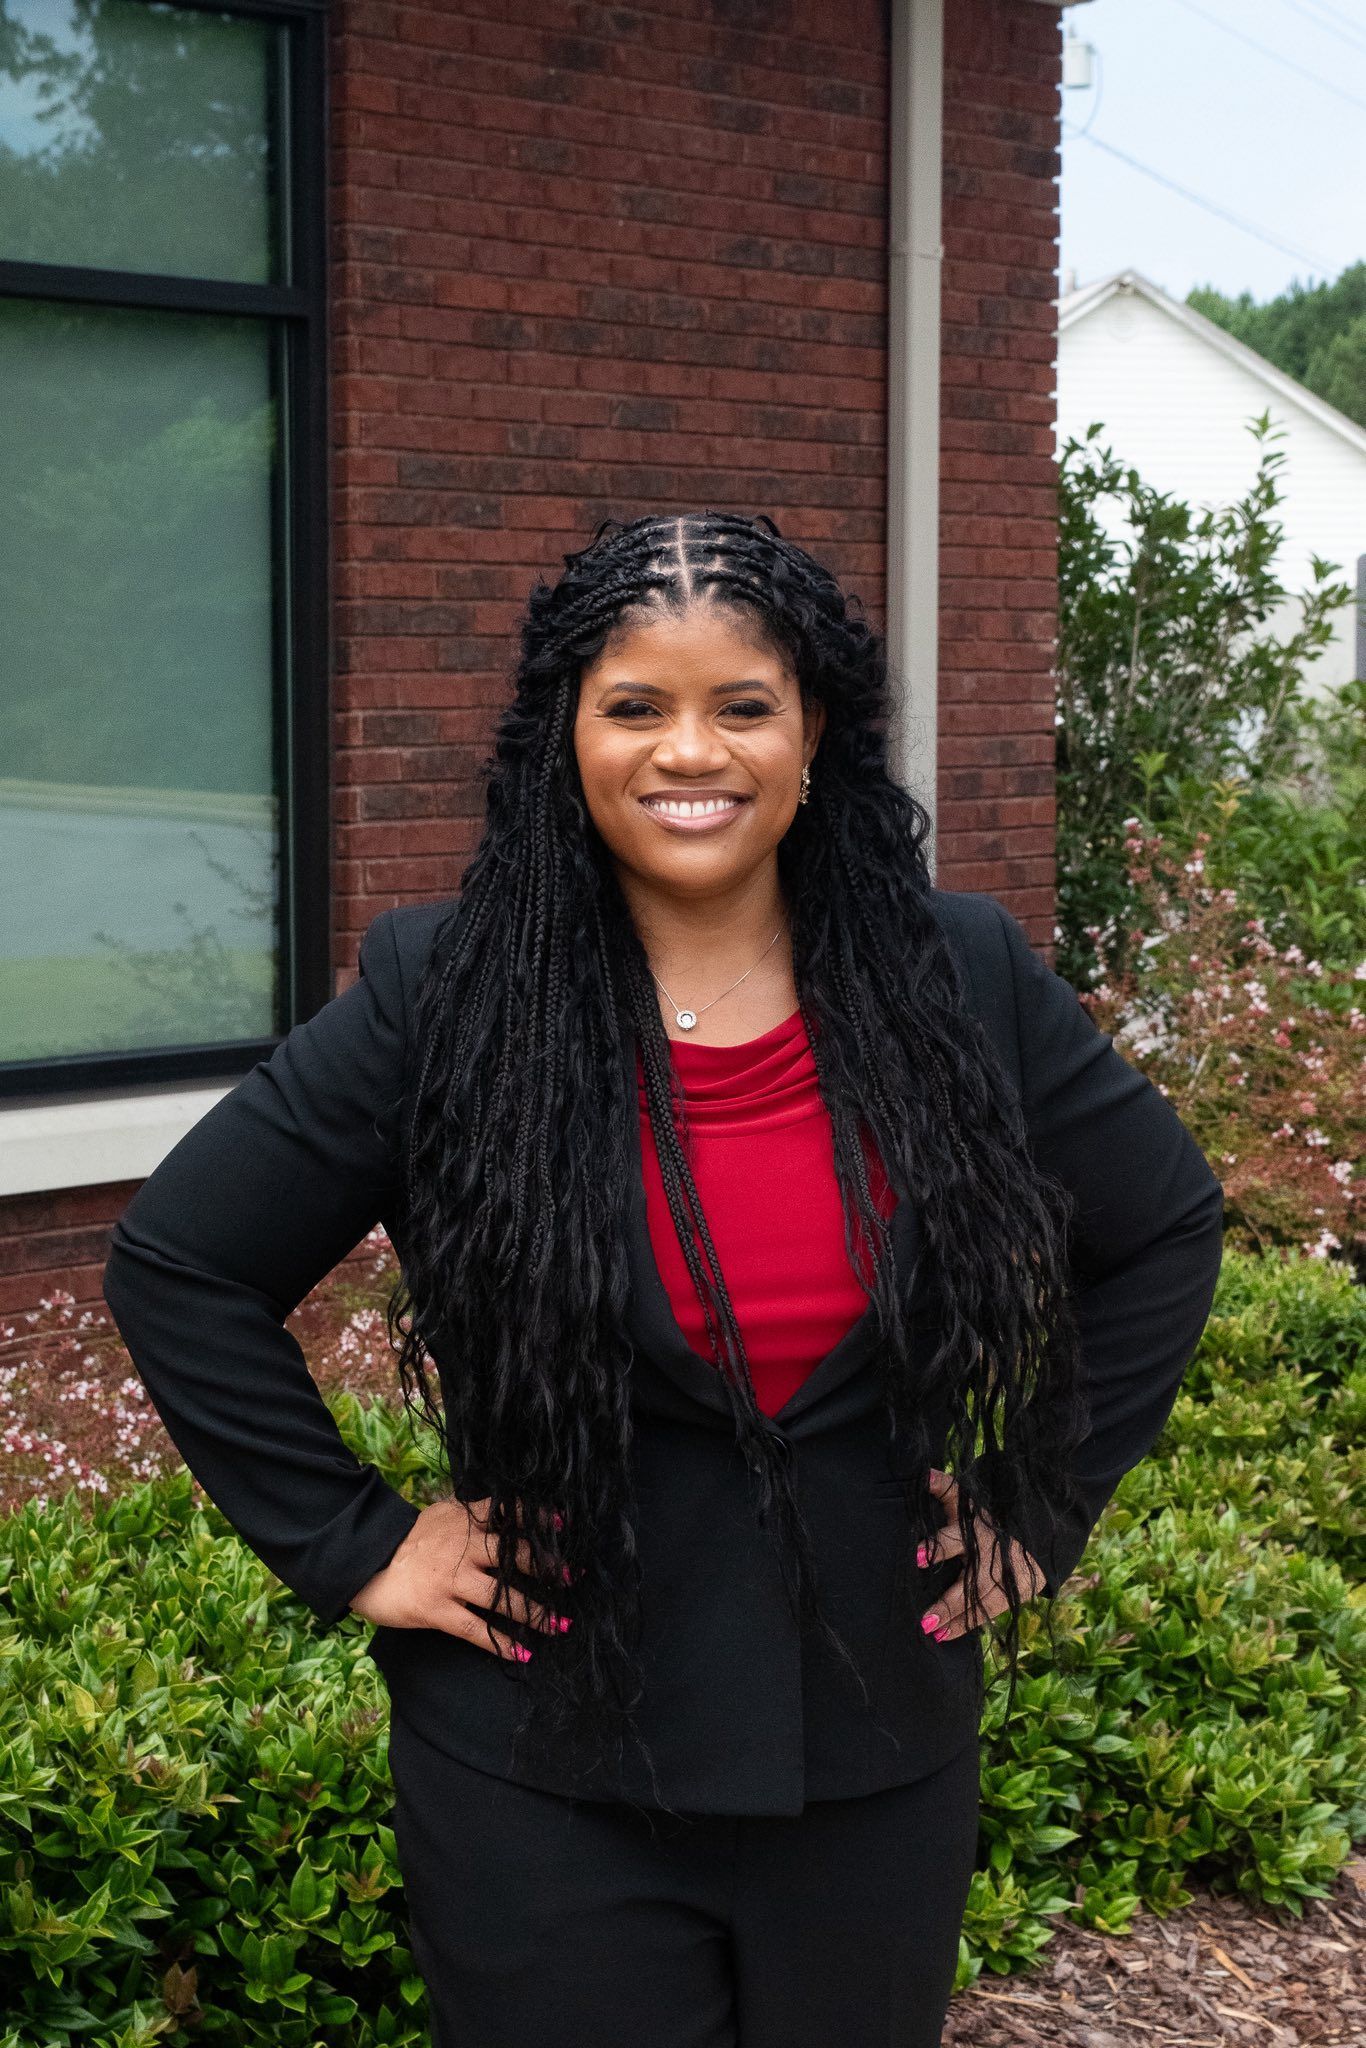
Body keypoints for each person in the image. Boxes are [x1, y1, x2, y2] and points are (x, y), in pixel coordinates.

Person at [102, 509, 1225, 2048]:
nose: (687, 752)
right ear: (564, 734)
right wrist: (355, 1543)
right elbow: (181, 1262)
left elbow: (1162, 1230)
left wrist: (1041, 1501)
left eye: (740, 706)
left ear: (815, 732)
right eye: (635, 705)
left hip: (875, 1747)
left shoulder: (954, 975)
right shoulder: (449, 994)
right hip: (544, 1759)